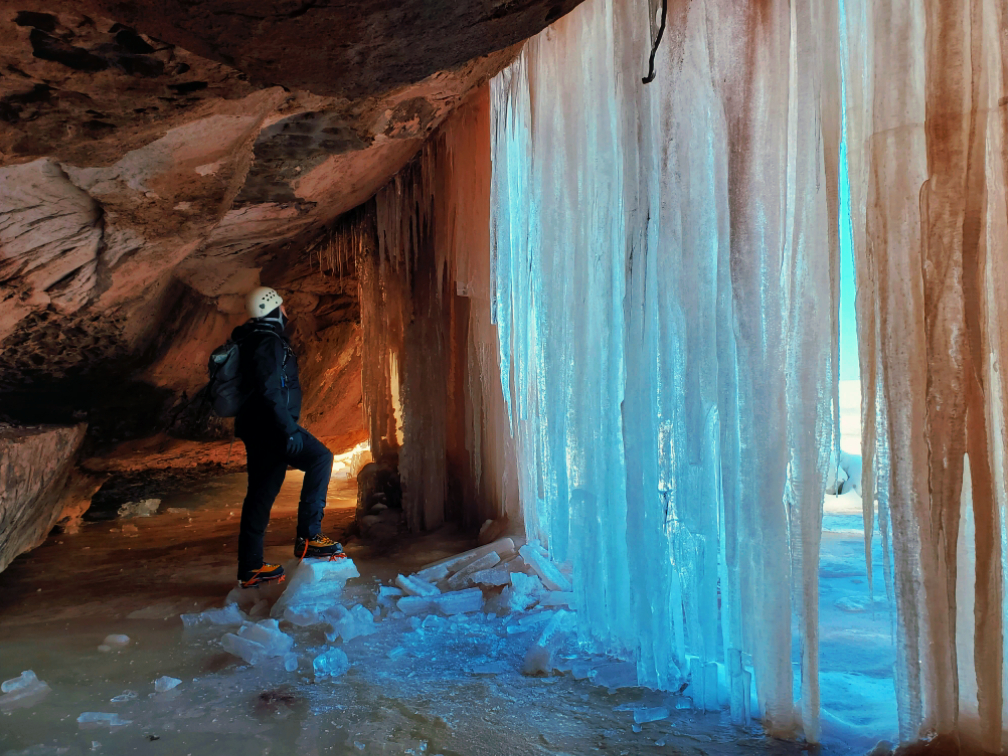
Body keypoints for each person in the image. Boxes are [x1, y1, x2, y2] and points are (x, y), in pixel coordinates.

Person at [231, 286, 342, 587]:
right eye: (282, 308)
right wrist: (288, 429)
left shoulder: (252, 339)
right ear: (273, 310)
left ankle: (251, 567)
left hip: (260, 428)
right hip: (272, 428)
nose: (286, 313)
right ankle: (309, 537)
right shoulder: (267, 342)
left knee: (260, 496)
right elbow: (270, 389)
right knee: (321, 457)